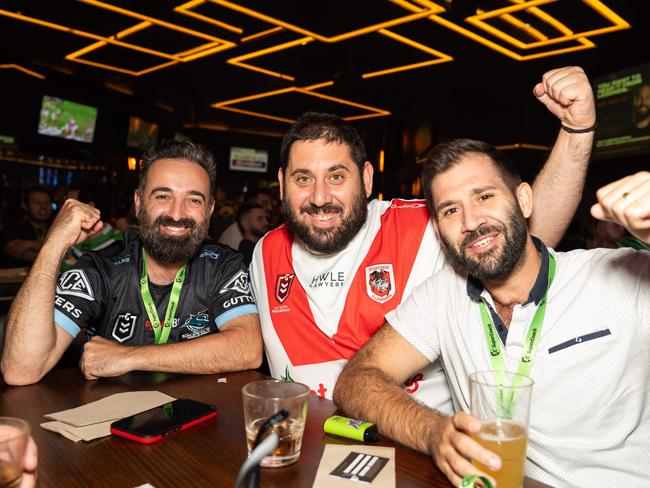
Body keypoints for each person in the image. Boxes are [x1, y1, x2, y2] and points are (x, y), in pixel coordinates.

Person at [250, 66, 596, 403]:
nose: (320, 197)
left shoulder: (423, 224)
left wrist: (576, 131)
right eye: (303, 178)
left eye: (337, 176)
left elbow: (529, 236)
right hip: (305, 447)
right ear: (282, 184)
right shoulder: (265, 253)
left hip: (415, 447)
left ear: (367, 179)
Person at [332, 140, 650, 487]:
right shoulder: (443, 295)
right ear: (438, 231)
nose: (471, 221)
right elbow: (355, 380)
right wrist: (433, 432)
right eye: (451, 210)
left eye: (484, 196)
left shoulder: (618, 275)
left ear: (523, 200)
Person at [1, 141, 262, 385]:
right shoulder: (101, 268)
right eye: (162, 196)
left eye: (194, 200)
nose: (176, 213)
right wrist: (53, 245)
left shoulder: (222, 264)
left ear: (210, 210)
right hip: (111, 425)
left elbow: (248, 348)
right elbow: (21, 369)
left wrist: (129, 357)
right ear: (138, 203)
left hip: (199, 424)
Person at [1, 187, 52, 268]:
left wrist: (29, 244)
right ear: (26, 206)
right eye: (37, 203)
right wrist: (53, 250)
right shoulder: (14, 227)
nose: (43, 207)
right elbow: (16, 251)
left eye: (47, 203)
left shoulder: (57, 227)